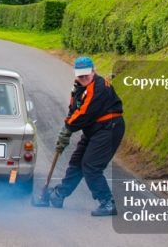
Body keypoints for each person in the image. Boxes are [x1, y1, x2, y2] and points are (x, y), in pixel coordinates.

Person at [48, 57, 125, 216]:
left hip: (109, 127)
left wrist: (68, 128)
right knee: (76, 161)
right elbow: (74, 110)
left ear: (93, 71)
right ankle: (60, 194)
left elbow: (84, 114)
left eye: (86, 75)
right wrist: (67, 125)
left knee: (91, 165)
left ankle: (107, 202)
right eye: (80, 75)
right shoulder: (77, 87)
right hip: (94, 129)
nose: (83, 78)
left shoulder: (98, 88)